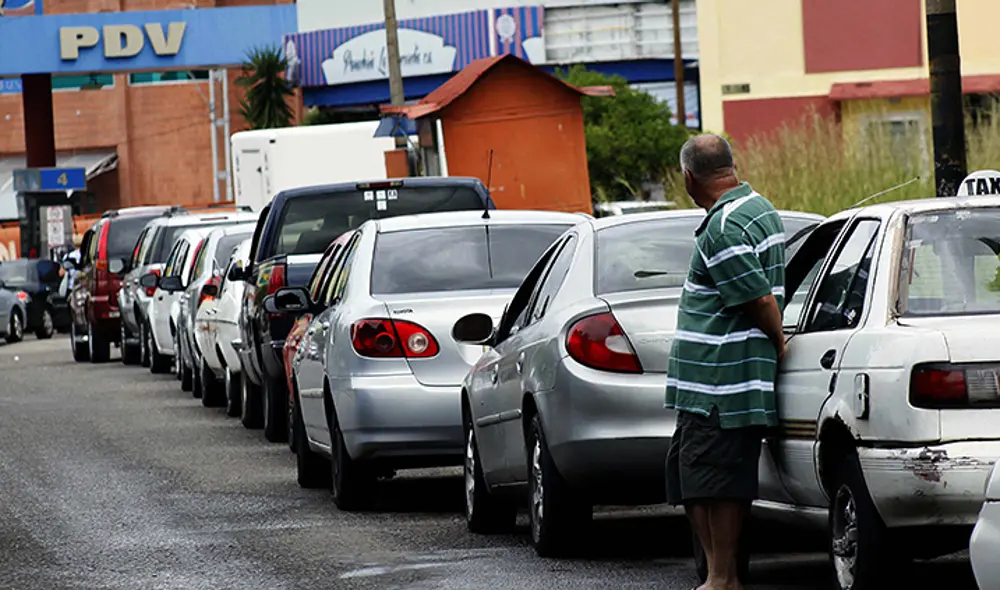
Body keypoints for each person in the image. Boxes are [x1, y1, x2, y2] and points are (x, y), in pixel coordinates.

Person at [664, 134, 787, 590]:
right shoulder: (758, 208)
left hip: (720, 380)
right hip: (718, 381)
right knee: (695, 476)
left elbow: (757, 298)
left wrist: (779, 341)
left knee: (711, 481)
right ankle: (722, 574)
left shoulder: (723, 227)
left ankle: (721, 577)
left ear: (689, 177)